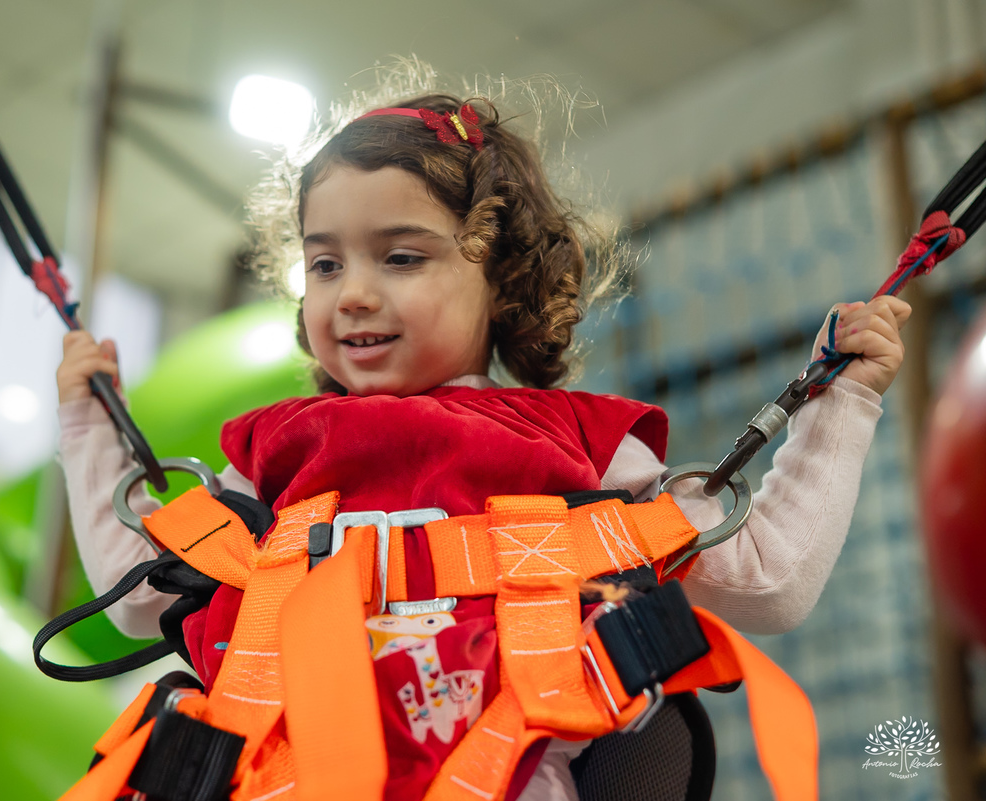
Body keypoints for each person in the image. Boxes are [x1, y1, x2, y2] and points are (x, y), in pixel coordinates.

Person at [55, 91, 911, 800]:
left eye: (399, 258)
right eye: (324, 265)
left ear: (499, 277)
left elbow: (765, 582)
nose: (352, 294)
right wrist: (89, 426)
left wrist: (840, 403)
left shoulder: (580, 447)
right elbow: (138, 598)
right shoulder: (279, 455)